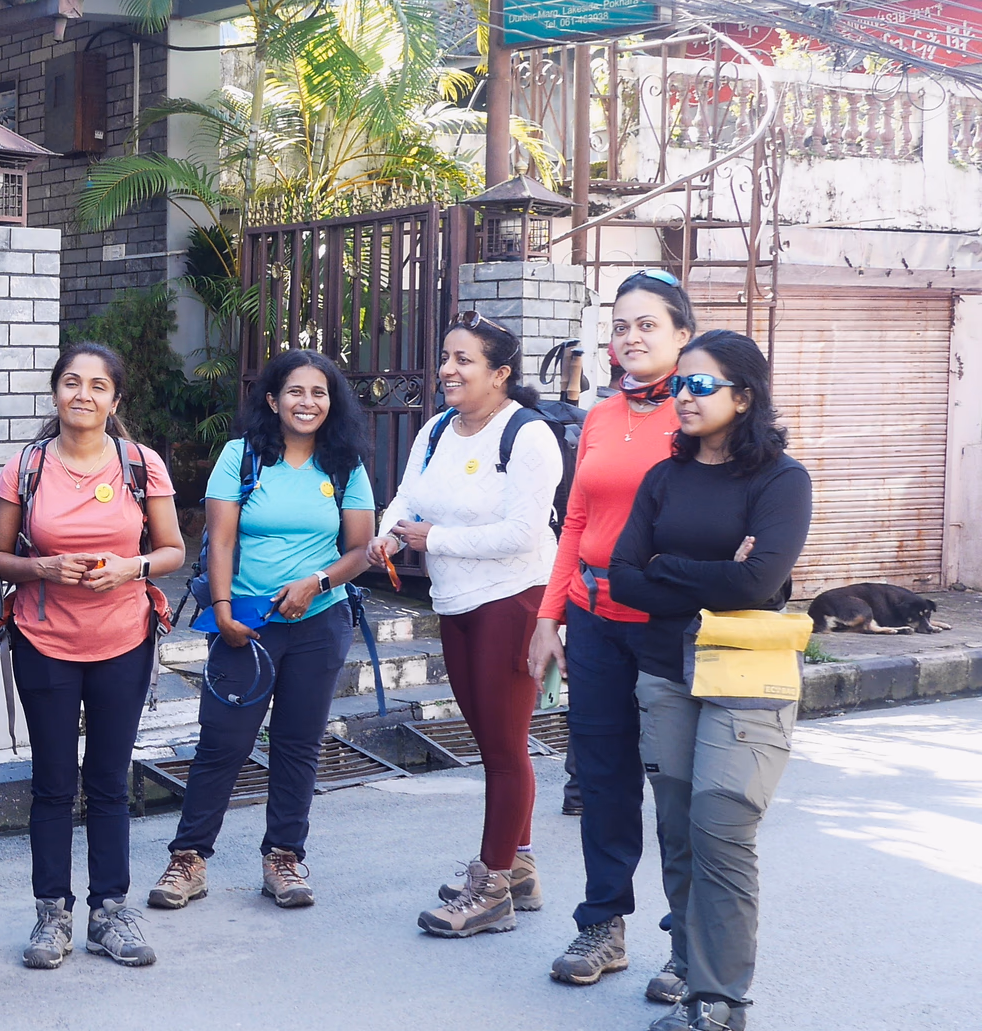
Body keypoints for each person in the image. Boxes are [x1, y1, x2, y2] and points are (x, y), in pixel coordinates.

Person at [608, 329, 811, 1031]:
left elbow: (759, 584)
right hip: (666, 671)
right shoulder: (664, 478)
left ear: (744, 397)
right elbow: (623, 578)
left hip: (747, 678)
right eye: (679, 386)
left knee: (722, 831)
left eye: (701, 385)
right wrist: (709, 573)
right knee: (679, 832)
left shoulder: (782, 481)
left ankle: (721, 1016)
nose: (683, 397)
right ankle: (693, 978)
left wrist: (669, 568)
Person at [149, 350, 374, 912]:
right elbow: (221, 540)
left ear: (332, 402)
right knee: (222, 741)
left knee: (298, 743)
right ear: (273, 401)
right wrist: (224, 610)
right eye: (295, 392)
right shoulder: (241, 456)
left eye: (319, 393)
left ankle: (283, 857)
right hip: (245, 624)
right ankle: (188, 858)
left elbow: (359, 551)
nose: (308, 403)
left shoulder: (344, 464)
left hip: (320, 621)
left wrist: (316, 584)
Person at [0, 343, 186, 970]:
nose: (83, 395)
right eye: (72, 382)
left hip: (123, 638)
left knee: (107, 780)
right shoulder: (26, 466)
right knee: (52, 782)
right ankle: (52, 913)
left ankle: (109, 912)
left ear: (115, 400)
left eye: (98, 386)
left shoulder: (140, 464)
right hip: (44, 639)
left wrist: (132, 567)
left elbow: (173, 550)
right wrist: (43, 567)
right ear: (55, 392)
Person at [367, 312, 561, 940]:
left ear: (500, 374)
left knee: (504, 748)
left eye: (463, 360)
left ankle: (492, 886)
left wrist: (434, 539)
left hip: (513, 599)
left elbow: (524, 533)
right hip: (453, 600)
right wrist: (390, 535)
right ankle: (519, 866)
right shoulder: (436, 430)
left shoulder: (527, 436)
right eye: (446, 357)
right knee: (491, 740)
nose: (447, 370)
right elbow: (407, 497)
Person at [529, 270, 696, 991]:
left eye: (647, 325)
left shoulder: (698, 413)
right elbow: (576, 520)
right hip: (594, 621)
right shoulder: (598, 415)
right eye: (621, 326)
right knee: (602, 777)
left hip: (668, 624)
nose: (631, 338)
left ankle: (690, 942)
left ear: (682, 334)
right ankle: (603, 923)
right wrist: (549, 615)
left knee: (678, 784)